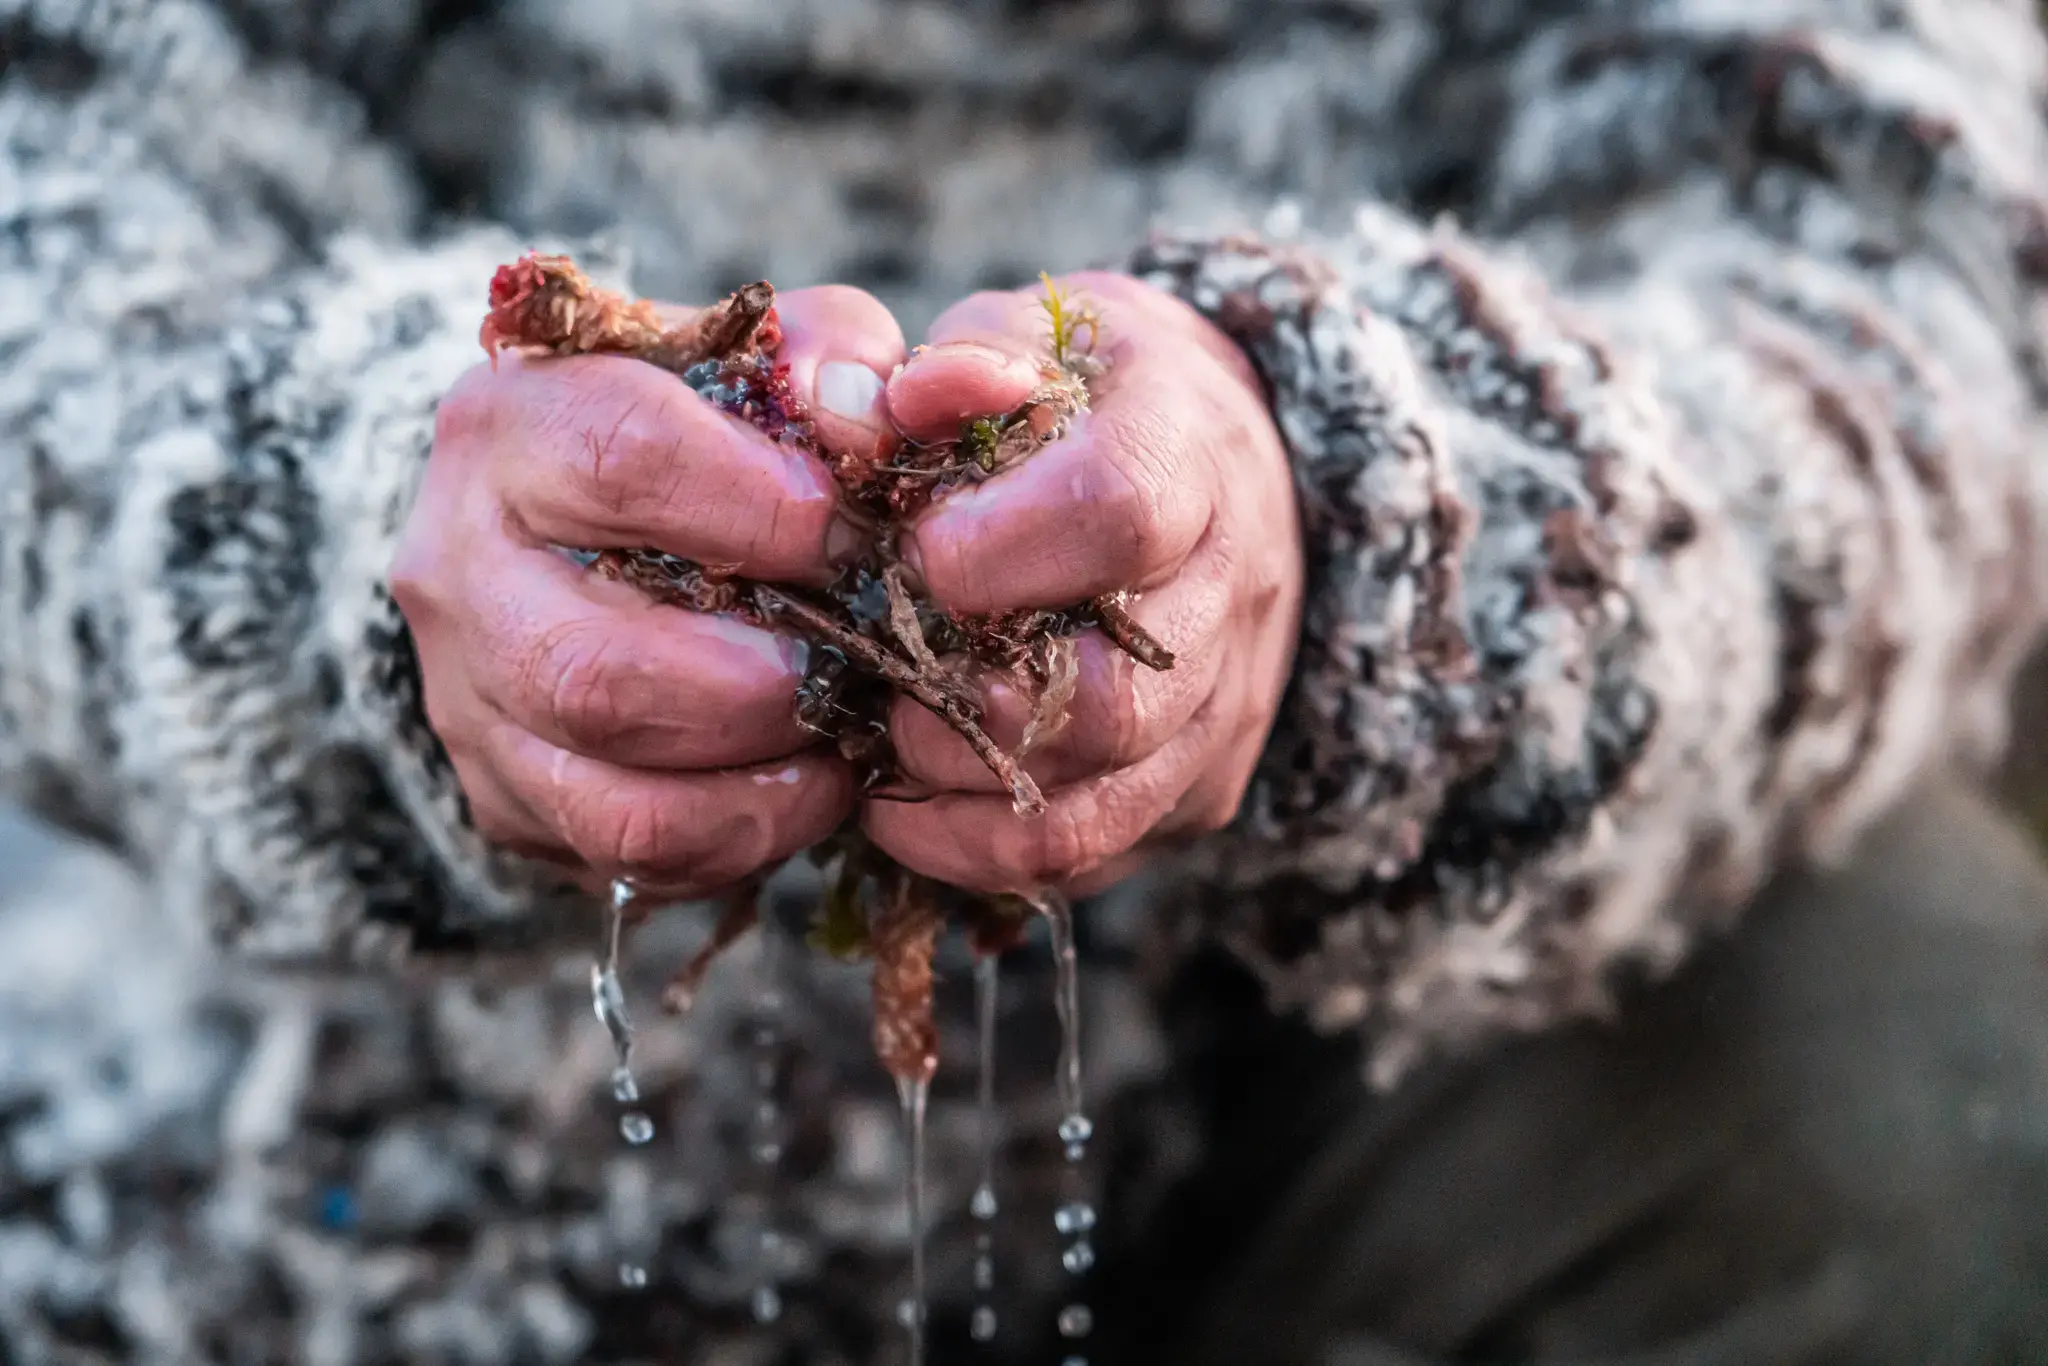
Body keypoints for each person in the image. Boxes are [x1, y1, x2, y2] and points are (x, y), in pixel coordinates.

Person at [3, 1, 2047, 1362]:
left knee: (1936, 1076)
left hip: (1371, 1016)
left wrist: (1375, 537)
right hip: (281, 1077)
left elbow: (1918, 286)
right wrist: (345, 552)